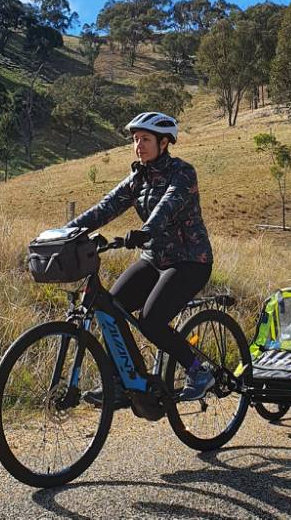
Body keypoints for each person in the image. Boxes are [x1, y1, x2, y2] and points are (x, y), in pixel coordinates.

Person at [66, 111, 215, 402]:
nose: (139, 145)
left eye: (145, 139)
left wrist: (146, 231)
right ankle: (127, 380)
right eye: (135, 139)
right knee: (110, 309)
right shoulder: (138, 178)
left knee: (151, 320)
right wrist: (64, 232)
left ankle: (198, 371)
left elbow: (167, 206)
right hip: (154, 258)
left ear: (164, 142)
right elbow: (104, 208)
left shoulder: (183, 173)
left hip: (190, 260)